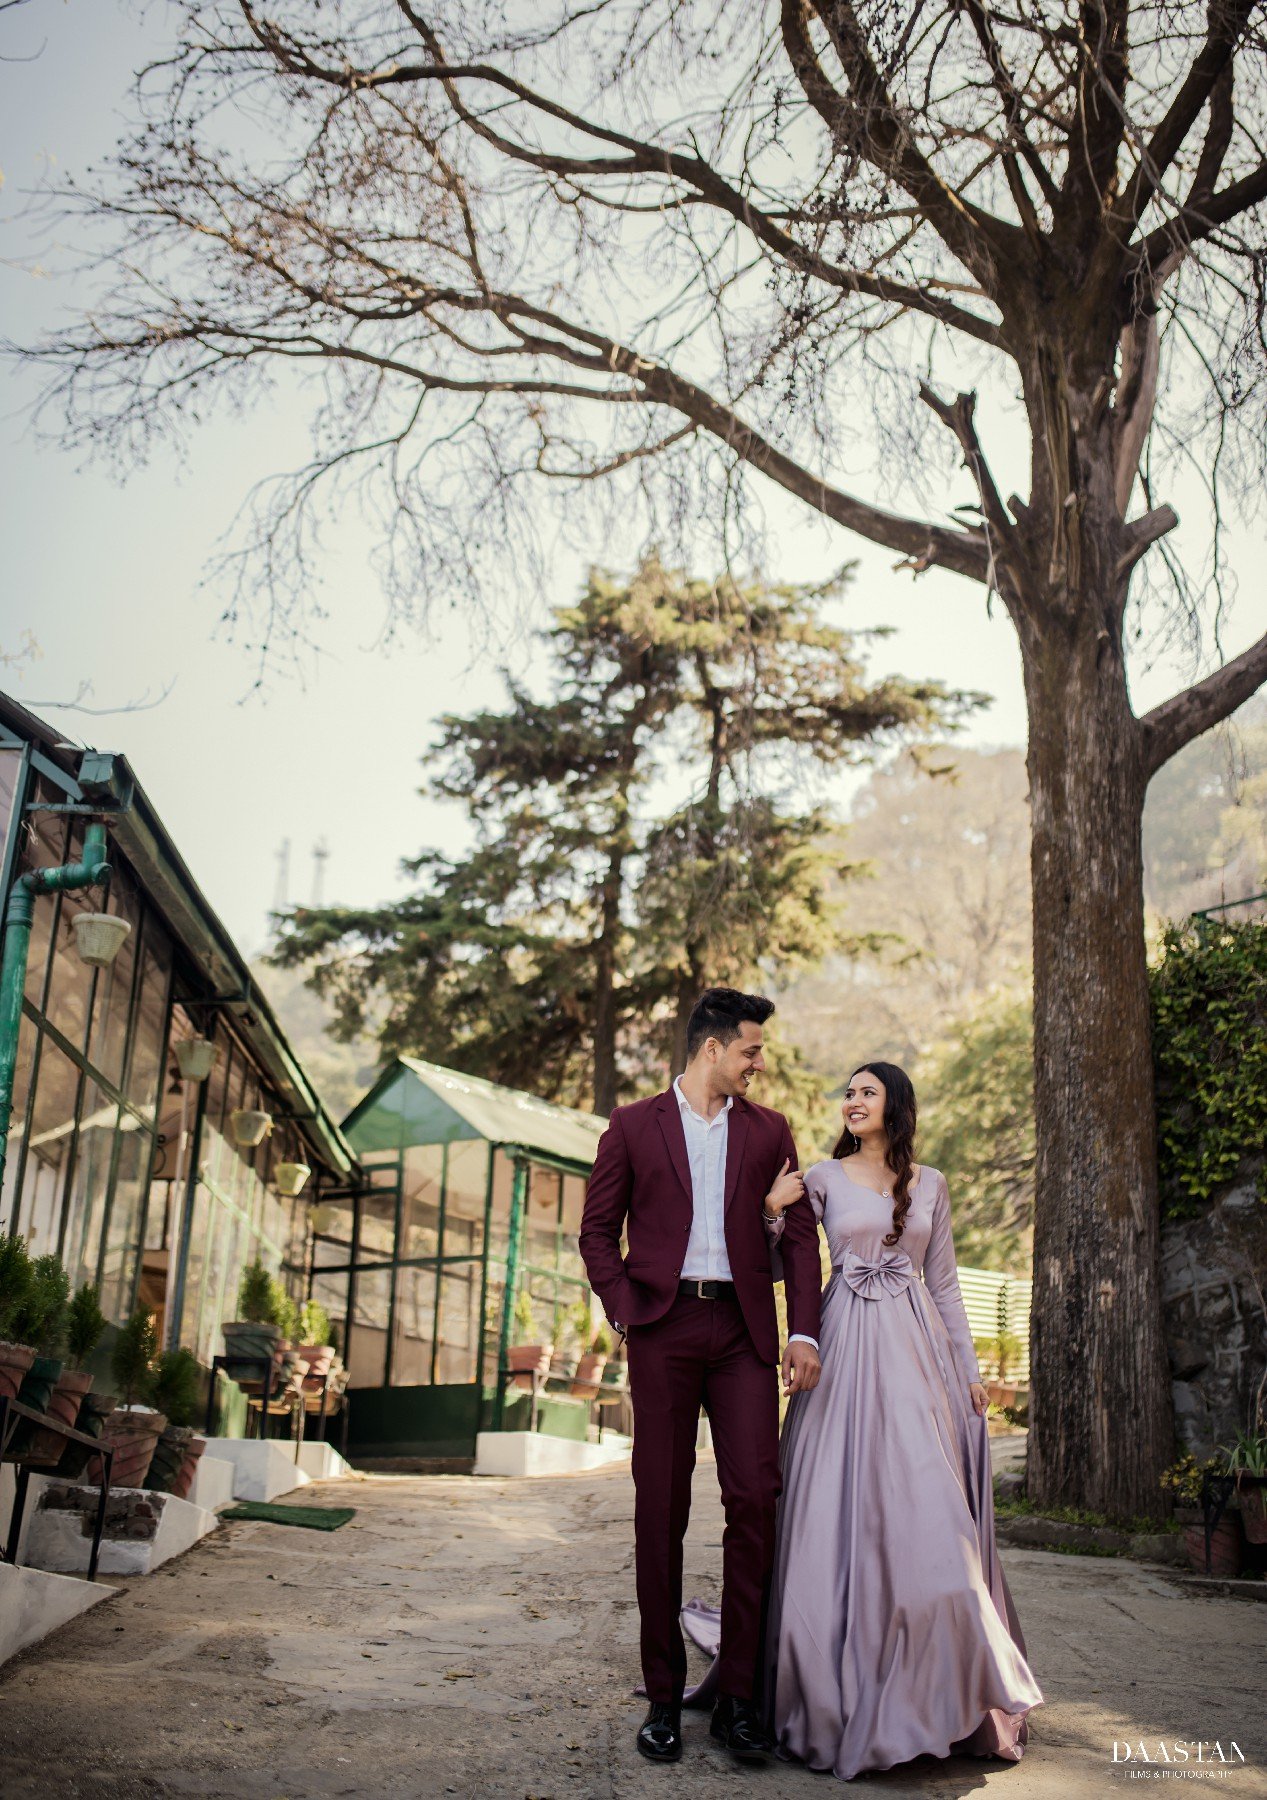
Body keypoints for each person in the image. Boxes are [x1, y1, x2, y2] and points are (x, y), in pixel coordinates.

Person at [761, 1060, 1044, 1779]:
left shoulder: (933, 1183)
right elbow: (782, 1263)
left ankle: (942, 1691)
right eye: (847, 1092)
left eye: (867, 1092)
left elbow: (944, 1284)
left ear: (896, 1106)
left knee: (929, 1511)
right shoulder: (819, 1178)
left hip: (915, 1354)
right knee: (835, 1505)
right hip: (844, 1347)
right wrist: (771, 1211)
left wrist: (969, 1373)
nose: (852, 1101)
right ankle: (836, 1680)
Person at [579, 987, 823, 1766]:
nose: (760, 1063)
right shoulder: (630, 1126)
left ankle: (738, 1698)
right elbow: (595, 1233)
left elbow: (800, 1240)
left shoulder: (770, 1131)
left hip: (744, 1334)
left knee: (756, 1497)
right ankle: (661, 1696)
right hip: (663, 1328)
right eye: (751, 1050)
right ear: (712, 1048)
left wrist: (805, 1331)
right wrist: (625, 1309)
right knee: (662, 1504)